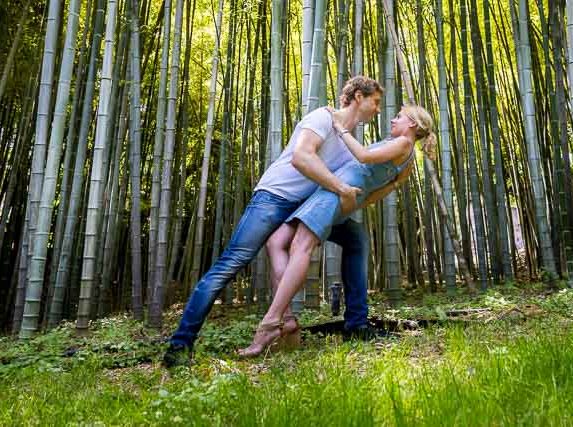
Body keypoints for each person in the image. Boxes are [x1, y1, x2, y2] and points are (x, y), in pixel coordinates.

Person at [162, 76, 385, 367]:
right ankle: (179, 347)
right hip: (274, 197)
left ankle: (355, 324)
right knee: (231, 263)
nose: (378, 109)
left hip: (303, 206)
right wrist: (340, 188)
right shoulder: (321, 117)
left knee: (355, 238)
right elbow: (301, 158)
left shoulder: (349, 140)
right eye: (376, 102)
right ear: (358, 96)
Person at [239, 105, 437, 357]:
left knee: (300, 245)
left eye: (399, 116)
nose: (392, 118)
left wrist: (340, 127)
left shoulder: (403, 145)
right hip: (334, 191)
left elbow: (364, 157)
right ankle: (287, 319)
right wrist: (355, 203)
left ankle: (271, 322)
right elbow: (385, 188)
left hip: (334, 194)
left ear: (412, 124)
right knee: (277, 240)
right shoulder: (403, 153)